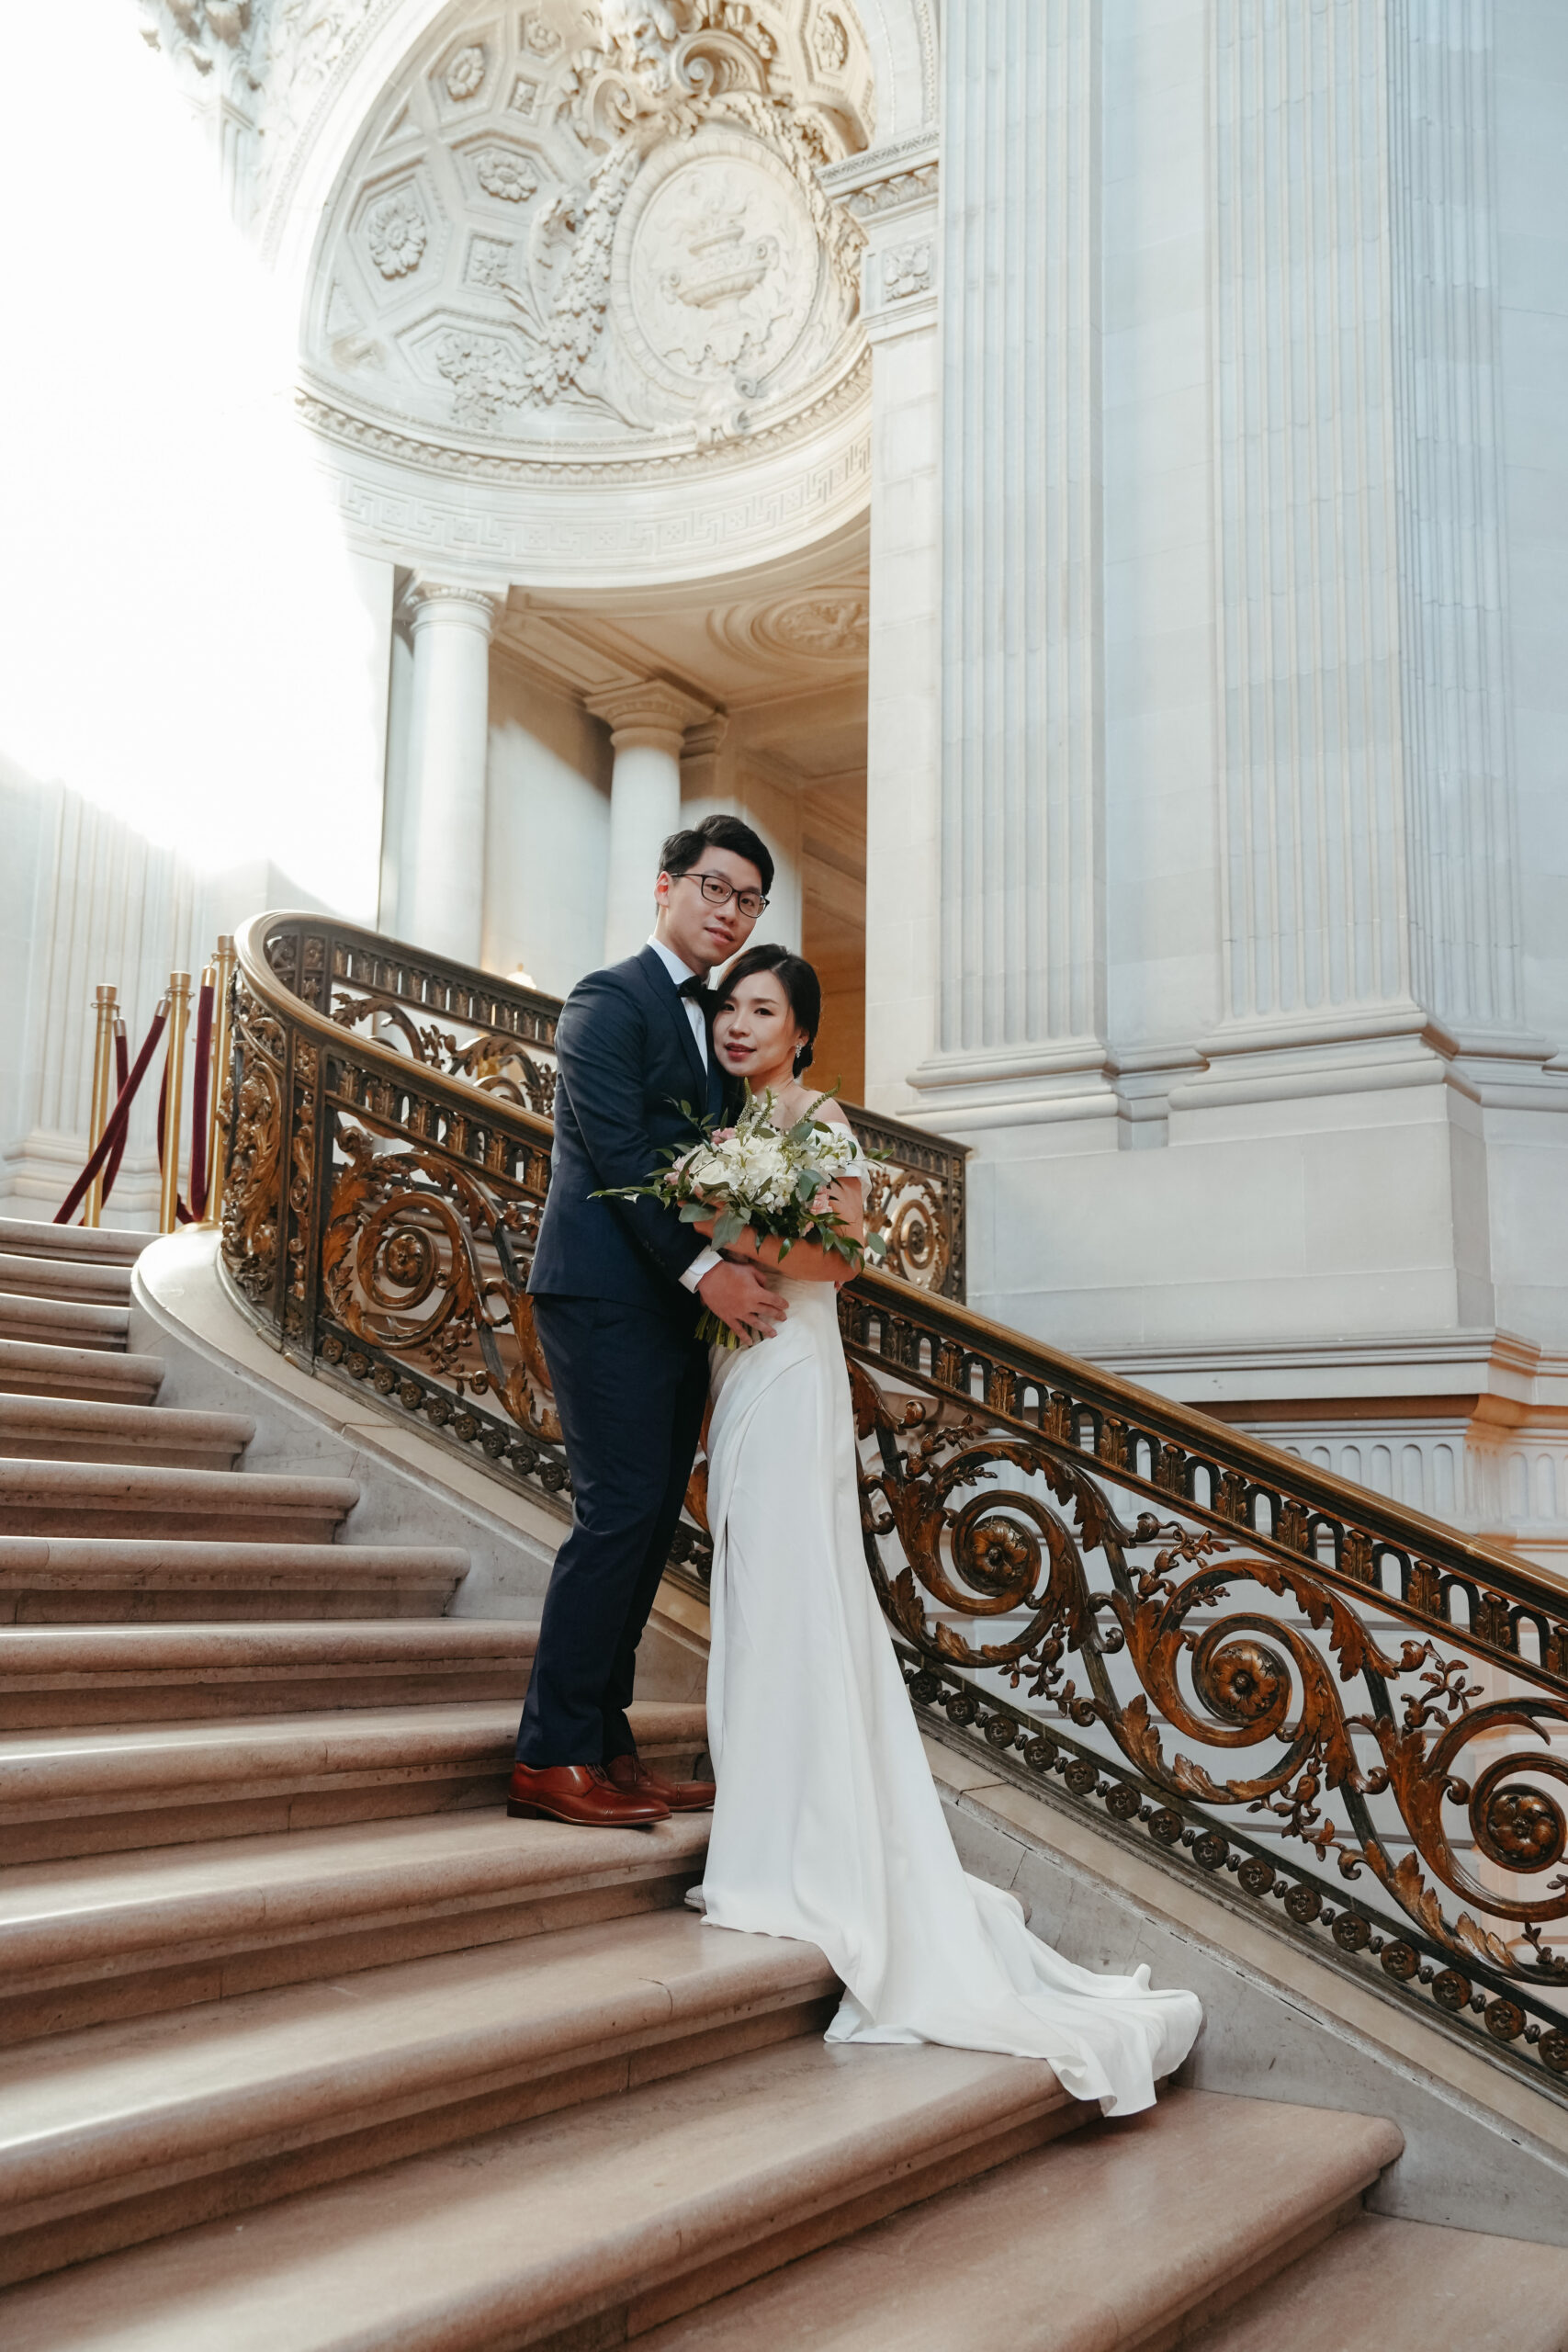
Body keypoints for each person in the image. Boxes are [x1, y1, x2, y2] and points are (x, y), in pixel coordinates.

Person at [688, 941, 1203, 2117]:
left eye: (760, 1008)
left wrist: (733, 1231)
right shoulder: (721, 1131)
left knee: (796, 1593)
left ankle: (793, 1853)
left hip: (794, 1358)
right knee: (758, 1593)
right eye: (728, 1005)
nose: (737, 1022)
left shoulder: (818, 1122)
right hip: (742, 1372)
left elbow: (841, 1256)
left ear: (801, 1031)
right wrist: (713, 1212)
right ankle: (761, 1836)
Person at [509, 814, 784, 1830]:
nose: (729, 911)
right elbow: (621, 1157)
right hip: (603, 1291)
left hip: (670, 1307)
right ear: (664, 886)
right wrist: (709, 1270)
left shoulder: (717, 1022)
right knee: (617, 1514)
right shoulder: (606, 999)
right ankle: (549, 1754)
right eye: (714, 888)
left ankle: (606, 1743)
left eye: (748, 899)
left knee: (649, 1523)